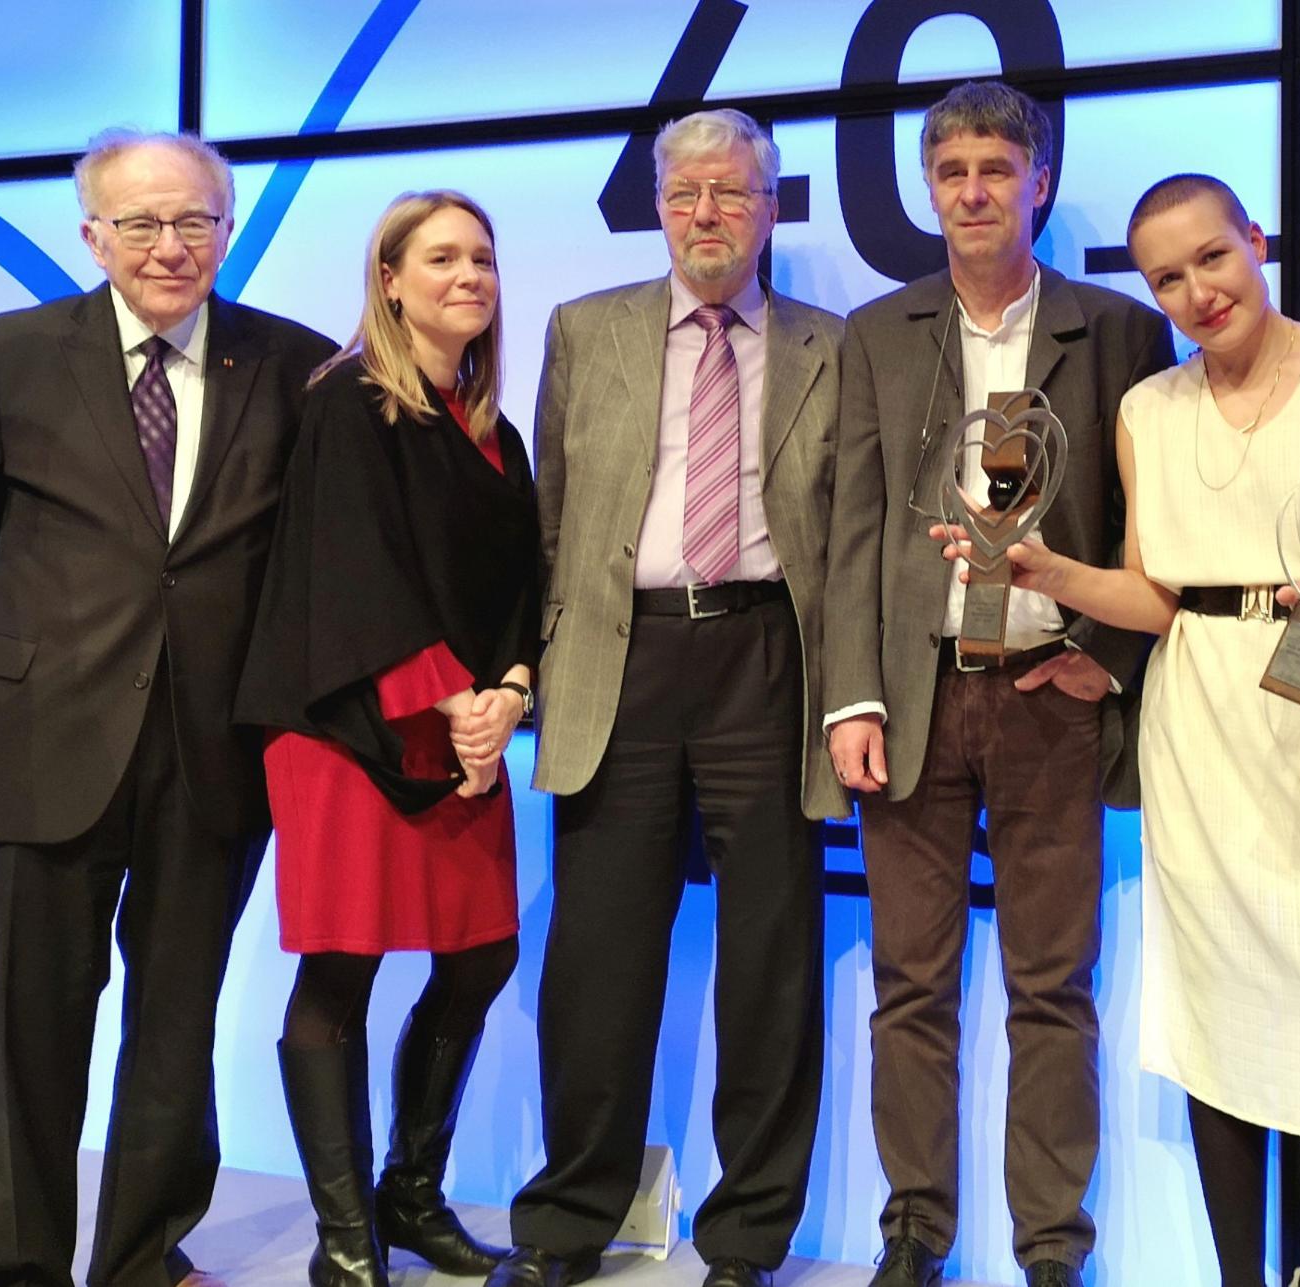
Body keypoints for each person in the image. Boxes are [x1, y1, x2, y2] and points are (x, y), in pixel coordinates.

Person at [942, 171, 1300, 1286]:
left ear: (1253, 240)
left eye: (1213, 258)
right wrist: (1044, 571)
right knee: (1223, 1017)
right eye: (1168, 277)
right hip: (1198, 718)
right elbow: (1154, 595)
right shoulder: (1144, 410)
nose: (1198, 291)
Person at [0, 128, 334, 1287]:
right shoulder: (8, 352)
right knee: (29, 1029)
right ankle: (20, 1268)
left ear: (227, 226)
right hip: (42, 731)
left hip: (213, 744)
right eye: (141, 224)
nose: (170, 247)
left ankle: (141, 1256)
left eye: (195, 222)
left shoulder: (298, 364)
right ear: (93, 234)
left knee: (176, 1022)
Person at [821, 80, 1171, 1287]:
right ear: (929, 190)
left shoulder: (1115, 328)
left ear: (1038, 183)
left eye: (992, 169)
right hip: (914, 693)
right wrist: (850, 696)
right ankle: (913, 1231)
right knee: (907, 983)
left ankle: (1051, 1247)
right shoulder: (878, 331)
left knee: (1050, 986)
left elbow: (1151, 519)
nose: (971, 191)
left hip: (1044, 692)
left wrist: (1106, 656)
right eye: (950, 172)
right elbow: (850, 528)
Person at [489, 108, 845, 1287]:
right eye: (686, 192)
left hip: (764, 659)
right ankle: (565, 1222)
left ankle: (747, 1237)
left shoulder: (826, 345)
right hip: (618, 661)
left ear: (770, 208)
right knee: (595, 961)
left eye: (732, 194)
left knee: (771, 960)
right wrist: (528, 668)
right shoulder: (583, 330)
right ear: (656, 204)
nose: (706, 214)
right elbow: (541, 521)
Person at [233, 190, 538, 1287]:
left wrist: (508, 690)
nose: (468, 276)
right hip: (346, 729)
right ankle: (343, 1242)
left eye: (483, 259)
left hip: (464, 729)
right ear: (390, 279)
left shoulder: (495, 432)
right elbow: (349, 573)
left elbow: (523, 587)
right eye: (442, 257)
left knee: (481, 955)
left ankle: (408, 1196)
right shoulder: (347, 402)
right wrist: (453, 704)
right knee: (343, 965)